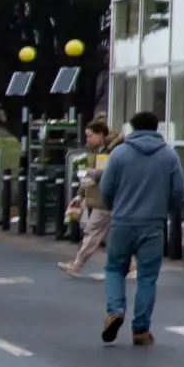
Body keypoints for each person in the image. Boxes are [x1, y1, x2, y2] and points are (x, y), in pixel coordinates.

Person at [94, 109, 184, 345]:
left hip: (123, 222)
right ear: (156, 128)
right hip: (153, 224)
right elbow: (178, 191)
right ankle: (141, 329)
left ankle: (115, 310)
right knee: (147, 277)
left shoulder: (119, 154)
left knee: (115, 269)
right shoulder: (168, 155)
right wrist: (164, 208)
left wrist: (116, 205)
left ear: (132, 128)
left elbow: (105, 189)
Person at [66, 118, 114, 278]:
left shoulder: (110, 151)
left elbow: (106, 174)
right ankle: (132, 266)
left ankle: (77, 265)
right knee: (113, 236)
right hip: (99, 197)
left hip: (106, 199)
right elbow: (91, 176)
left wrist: (93, 173)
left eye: (90, 135)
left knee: (92, 231)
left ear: (101, 134)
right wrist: (80, 195)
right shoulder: (94, 151)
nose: (87, 139)